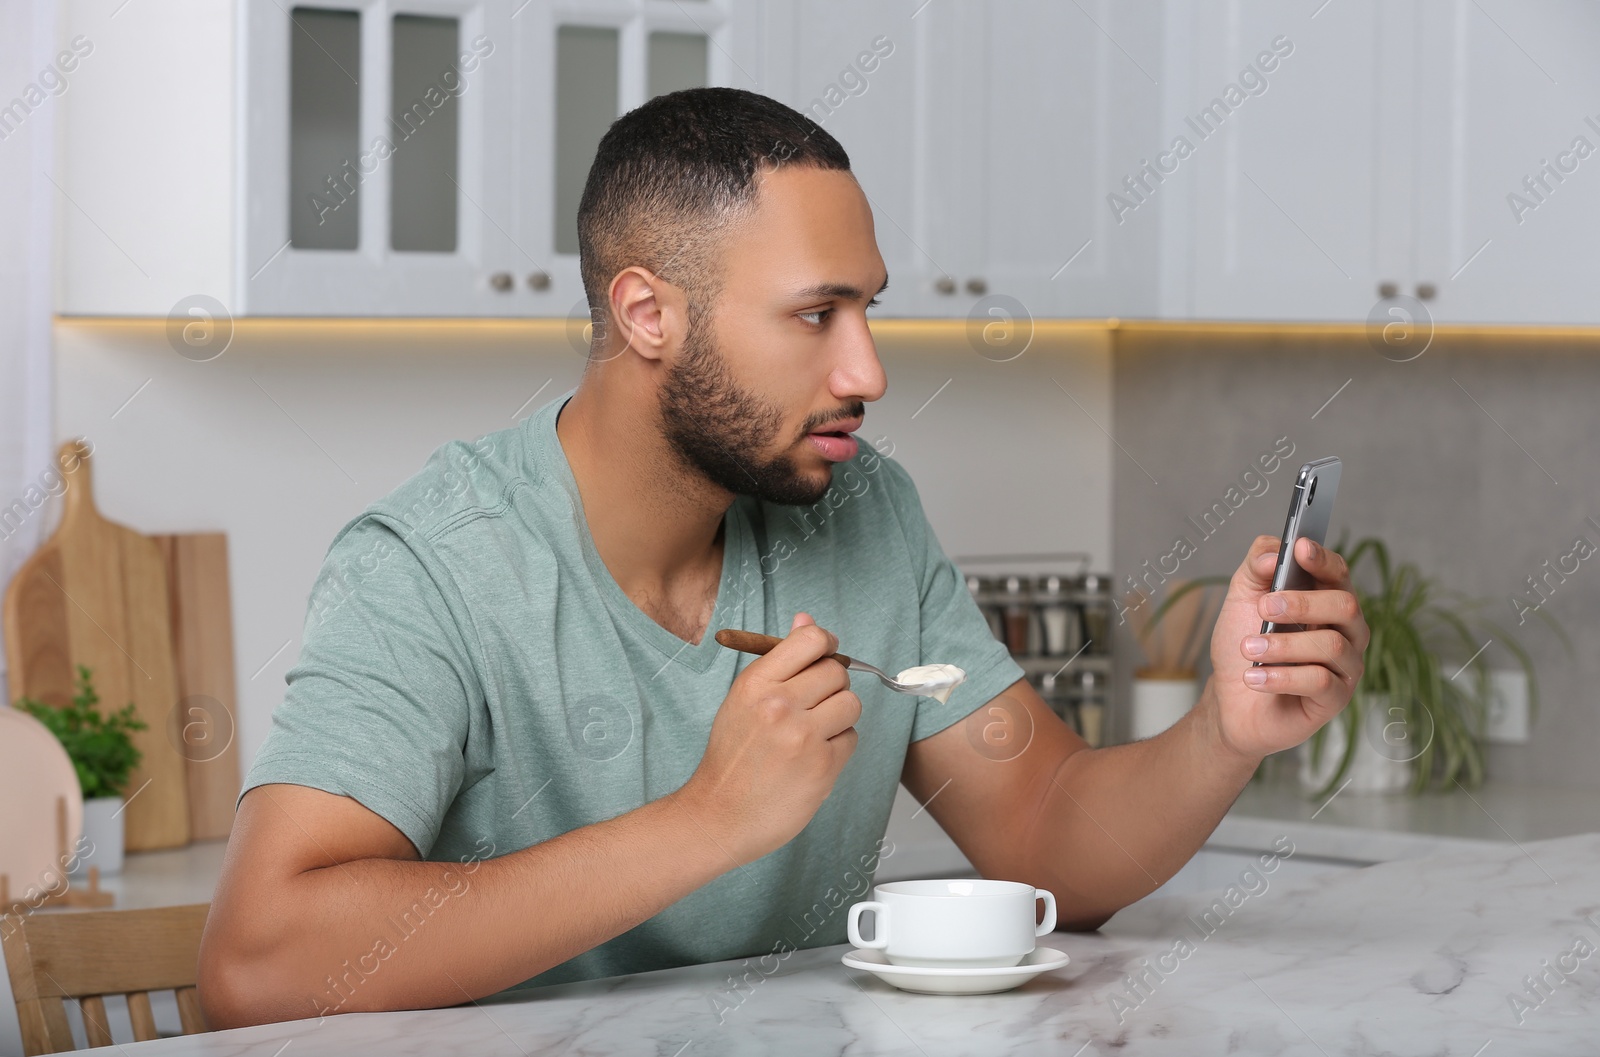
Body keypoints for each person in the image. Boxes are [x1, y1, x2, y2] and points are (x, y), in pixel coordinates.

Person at [197, 87, 1369, 1028]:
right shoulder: (429, 566)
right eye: (817, 315)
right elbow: (257, 965)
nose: (867, 371)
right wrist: (710, 818)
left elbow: (1051, 827)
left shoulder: (864, 512)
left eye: (869, 310)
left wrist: (1226, 729)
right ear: (648, 315)